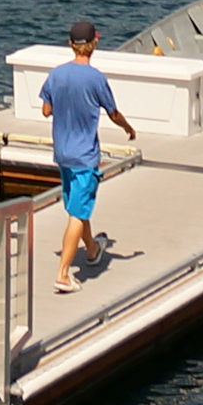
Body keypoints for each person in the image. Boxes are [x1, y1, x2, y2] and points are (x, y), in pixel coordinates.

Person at [38, 19, 137, 295]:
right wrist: (128, 128)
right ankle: (63, 274)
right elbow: (113, 113)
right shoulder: (96, 79)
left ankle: (92, 250)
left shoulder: (56, 74)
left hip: (63, 153)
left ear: (71, 44)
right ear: (94, 44)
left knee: (77, 208)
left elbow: (46, 110)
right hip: (85, 156)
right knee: (78, 213)